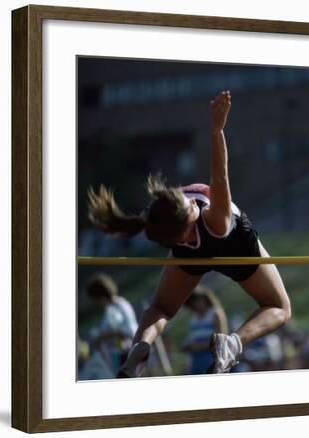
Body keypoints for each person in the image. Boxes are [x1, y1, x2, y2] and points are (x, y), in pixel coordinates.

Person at [87, 90, 291, 376]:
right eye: (191, 208)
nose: (193, 202)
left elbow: (145, 225)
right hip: (233, 243)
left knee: (160, 309)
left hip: (190, 254)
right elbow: (220, 175)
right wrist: (216, 131)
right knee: (279, 307)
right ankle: (233, 344)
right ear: (187, 223)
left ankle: (138, 351)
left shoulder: (159, 217)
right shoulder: (214, 218)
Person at [85, 272, 139, 375]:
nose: (95, 303)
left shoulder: (119, 306)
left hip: (129, 356)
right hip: (120, 358)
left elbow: (129, 332)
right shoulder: (111, 309)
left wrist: (102, 336)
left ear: (99, 295)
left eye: (94, 299)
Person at [182, 285, 228, 374]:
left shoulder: (215, 314)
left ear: (203, 299)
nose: (195, 305)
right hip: (196, 362)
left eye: (196, 302)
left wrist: (199, 346)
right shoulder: (193, 318)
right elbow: (193, 338)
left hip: (212, 360)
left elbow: (221, 341)